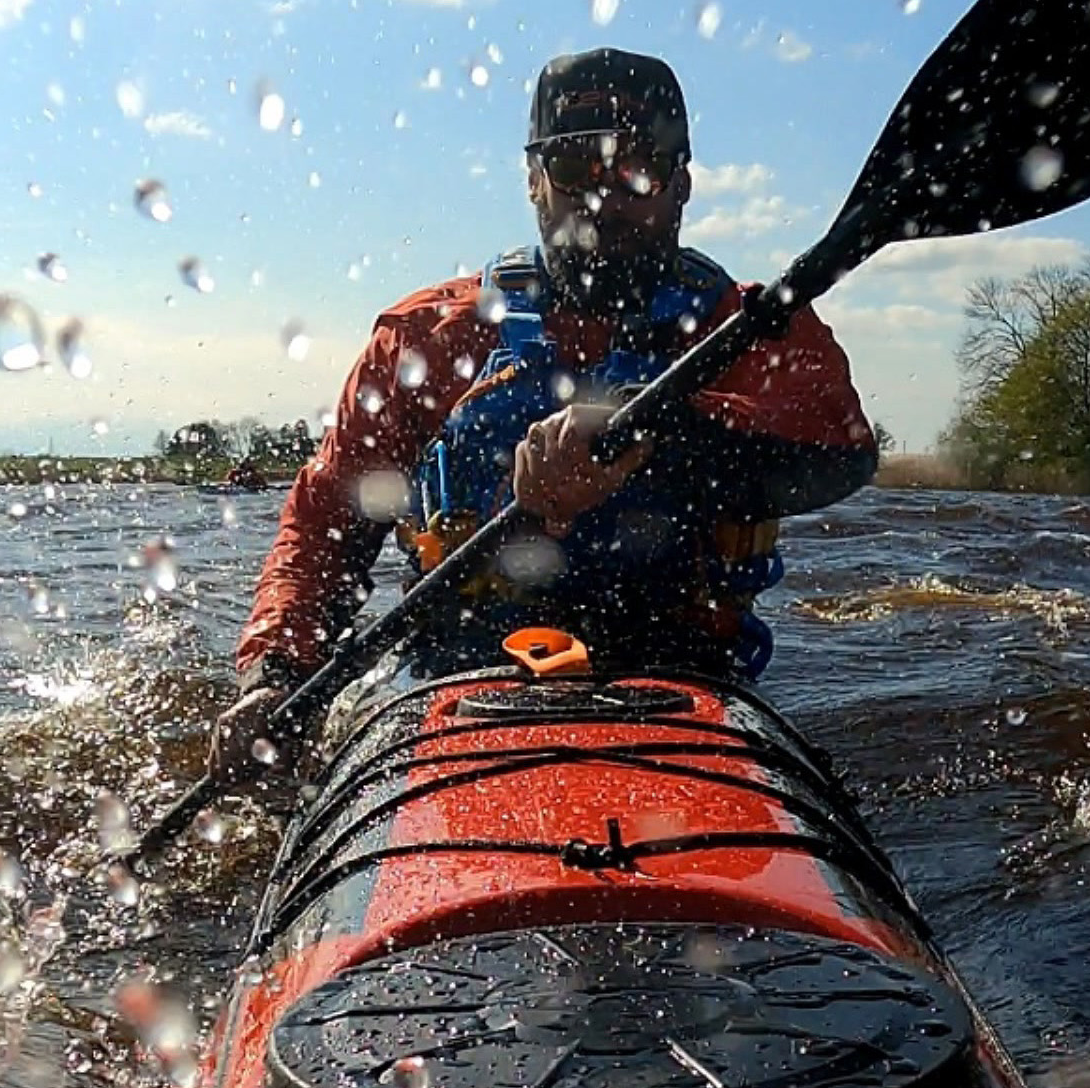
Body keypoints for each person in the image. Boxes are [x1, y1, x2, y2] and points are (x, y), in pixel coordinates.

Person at [215, 47, 879, 769]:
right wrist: (276, 671)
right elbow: (325, 525)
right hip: (454, 680)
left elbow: (839, 452)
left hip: (686, 679)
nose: (605, 198)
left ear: (682, 183)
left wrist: (652, 432)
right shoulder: (429, 339)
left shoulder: (751, 330)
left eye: (639, 166)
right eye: (573, 166)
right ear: (534, 180)